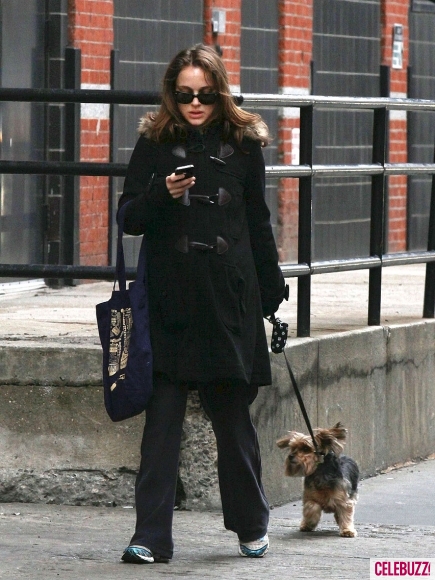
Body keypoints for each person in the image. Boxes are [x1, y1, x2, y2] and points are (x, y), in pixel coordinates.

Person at [117, 43, 287, 564]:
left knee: (232, 420)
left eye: (206, 95)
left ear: (221, 95)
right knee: (161, 424)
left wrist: (271, 287)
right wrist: (161, 195)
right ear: (172, 94)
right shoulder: (154, 142)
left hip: (227, 299)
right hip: (169, 301)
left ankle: (251, 523)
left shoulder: (243, 145)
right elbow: (128, 218)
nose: (195, 104)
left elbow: (257, 220)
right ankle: (151, 536)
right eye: (186, 94)